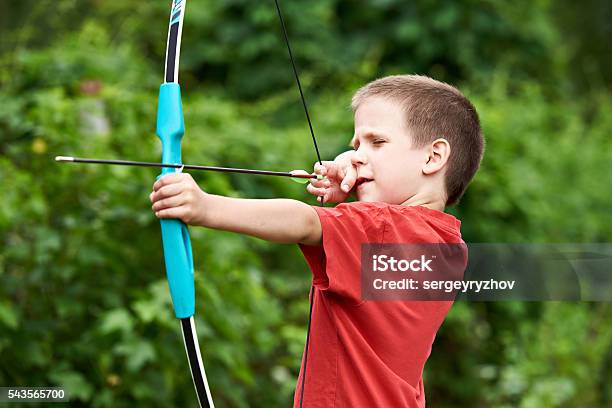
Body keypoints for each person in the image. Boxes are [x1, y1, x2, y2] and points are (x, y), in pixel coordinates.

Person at [150, 74, 485, 407]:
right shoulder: (448, 246)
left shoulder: (379, 230)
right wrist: (352, 203)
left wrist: (205, 207)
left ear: (433, 157)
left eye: (377, 142)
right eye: (356, 145)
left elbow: (304, 221)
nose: (357, 156)